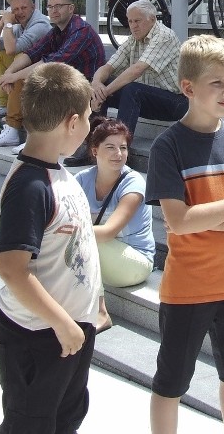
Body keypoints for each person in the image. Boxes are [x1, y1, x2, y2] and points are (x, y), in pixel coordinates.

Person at [145, 35, 224, 434]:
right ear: (188, 88)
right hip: (188, 287)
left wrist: (203, 216)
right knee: (171, 383)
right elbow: (179, 222)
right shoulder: (168, 147)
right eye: (217, 83)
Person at [0, 62, 100, 433]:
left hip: (68, 331)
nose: (89, 125)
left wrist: (92, 305)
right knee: (31, 424)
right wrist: (63, 324)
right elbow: (11, 269)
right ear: (72, 123)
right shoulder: (30, 186)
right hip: (39, 337)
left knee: (65, 419)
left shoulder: (58, 173)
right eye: (88, 117)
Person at [0, 0, 105, 150]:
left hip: (87, 87)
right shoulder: (56, 31)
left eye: (59, 6)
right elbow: (32, 52)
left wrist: (14, 76)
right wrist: (9, 74)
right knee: (21, 70)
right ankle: (14, 130)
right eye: (50, 7)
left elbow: (52, 61)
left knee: (35, 79)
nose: (54, 10)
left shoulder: (81, 31)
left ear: (71, 8)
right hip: (69, 81)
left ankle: (37, 138)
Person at [75, 118, 155, 333]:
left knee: (83, 241)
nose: (118, 154)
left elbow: (109, 232)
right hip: (104, 262)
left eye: (123, 148)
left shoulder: (133, 183)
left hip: (135, 262)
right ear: (94, 150)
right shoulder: (82, 180)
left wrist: (65, 232)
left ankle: (101, 312)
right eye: (110, 147)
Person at [90, 0, 188, 136]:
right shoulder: (133, 39)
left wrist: (103, 94)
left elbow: (137, 70)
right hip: (147, 98)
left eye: (137, 21)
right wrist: (96, 84)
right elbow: (108, 67)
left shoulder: (165, 36)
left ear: (152, 19)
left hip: (176, 102)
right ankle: (92, 146)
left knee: (132, 89)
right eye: (130, 21)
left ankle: (121, 145)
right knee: (101, 84)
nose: (133, 26)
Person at [0, 0, 51, 117]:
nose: (20, 12)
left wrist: (8, 23)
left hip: (46, 70)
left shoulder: (40, 25)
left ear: (33, 7)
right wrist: (1, 24)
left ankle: (14, 116)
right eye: (15, 9)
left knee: (18, 56)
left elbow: (11, 50)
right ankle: (4, 105)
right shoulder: (20, 25)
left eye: (24, 8)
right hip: (29, 66)